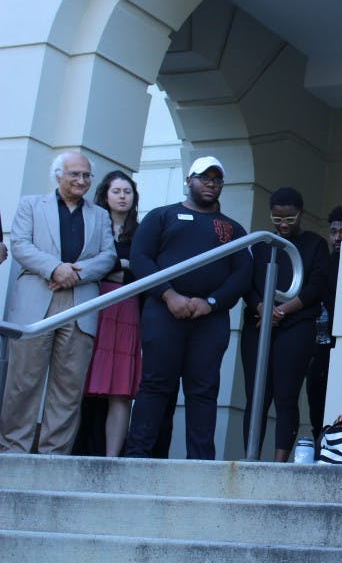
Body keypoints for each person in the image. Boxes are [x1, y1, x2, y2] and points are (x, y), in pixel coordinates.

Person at [124, 155, 251, 460]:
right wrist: (169, 295)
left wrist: (212, 303)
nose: (211, 184)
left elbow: (242, 274)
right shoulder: (162, 216)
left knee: (203, 389)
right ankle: (137, 455)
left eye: (217, 179)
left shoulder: (233, 229)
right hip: (163, 311)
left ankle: (201, 462)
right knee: (156, 383)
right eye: (204, 177)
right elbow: (140, 258)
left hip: (210, 318)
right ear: (188, 180)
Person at [0, 152, 117, 454]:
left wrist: (76, 275)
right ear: (58, 175)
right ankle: (13, 451)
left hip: (80, 304)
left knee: (69, 386)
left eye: (86, 175)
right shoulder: (30, 204)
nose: (81, 180)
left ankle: (54, 456)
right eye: (74, 174)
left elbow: (108, 256)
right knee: (23, 382)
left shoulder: (100, 215)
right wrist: (55, 269)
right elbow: (20, 244)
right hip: (35, 301)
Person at [241, 187, 329, 462]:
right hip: (258, 324)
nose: (283, 224)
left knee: (286, 395)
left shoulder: (314, 244)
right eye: (277, 218)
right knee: (256, 396)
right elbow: (247, 282)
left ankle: (279, 463)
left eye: (290, 218)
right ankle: (251, 459)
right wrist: (262, 307)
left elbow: (317, 285)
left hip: (297, 325)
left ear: (301, 213)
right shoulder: (260, 244)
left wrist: (281, 310)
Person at [74, 171, 143, 457]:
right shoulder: (90, 224)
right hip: (94, 302)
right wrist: (120, 264)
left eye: (128, 192)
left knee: (120, 387)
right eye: (117, 191)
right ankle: (74, 449)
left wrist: (117, 267)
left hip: (127, 307)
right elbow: (82, 264)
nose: (123, 196)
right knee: (79, 380)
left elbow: (141, 269)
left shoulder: (141, 232)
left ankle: (112, 458)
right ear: (105, 194)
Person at [305, 204, 342, 449]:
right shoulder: (325, 262)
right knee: (316, 396)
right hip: (320, 344)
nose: (337, 237)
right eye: (333, 232)